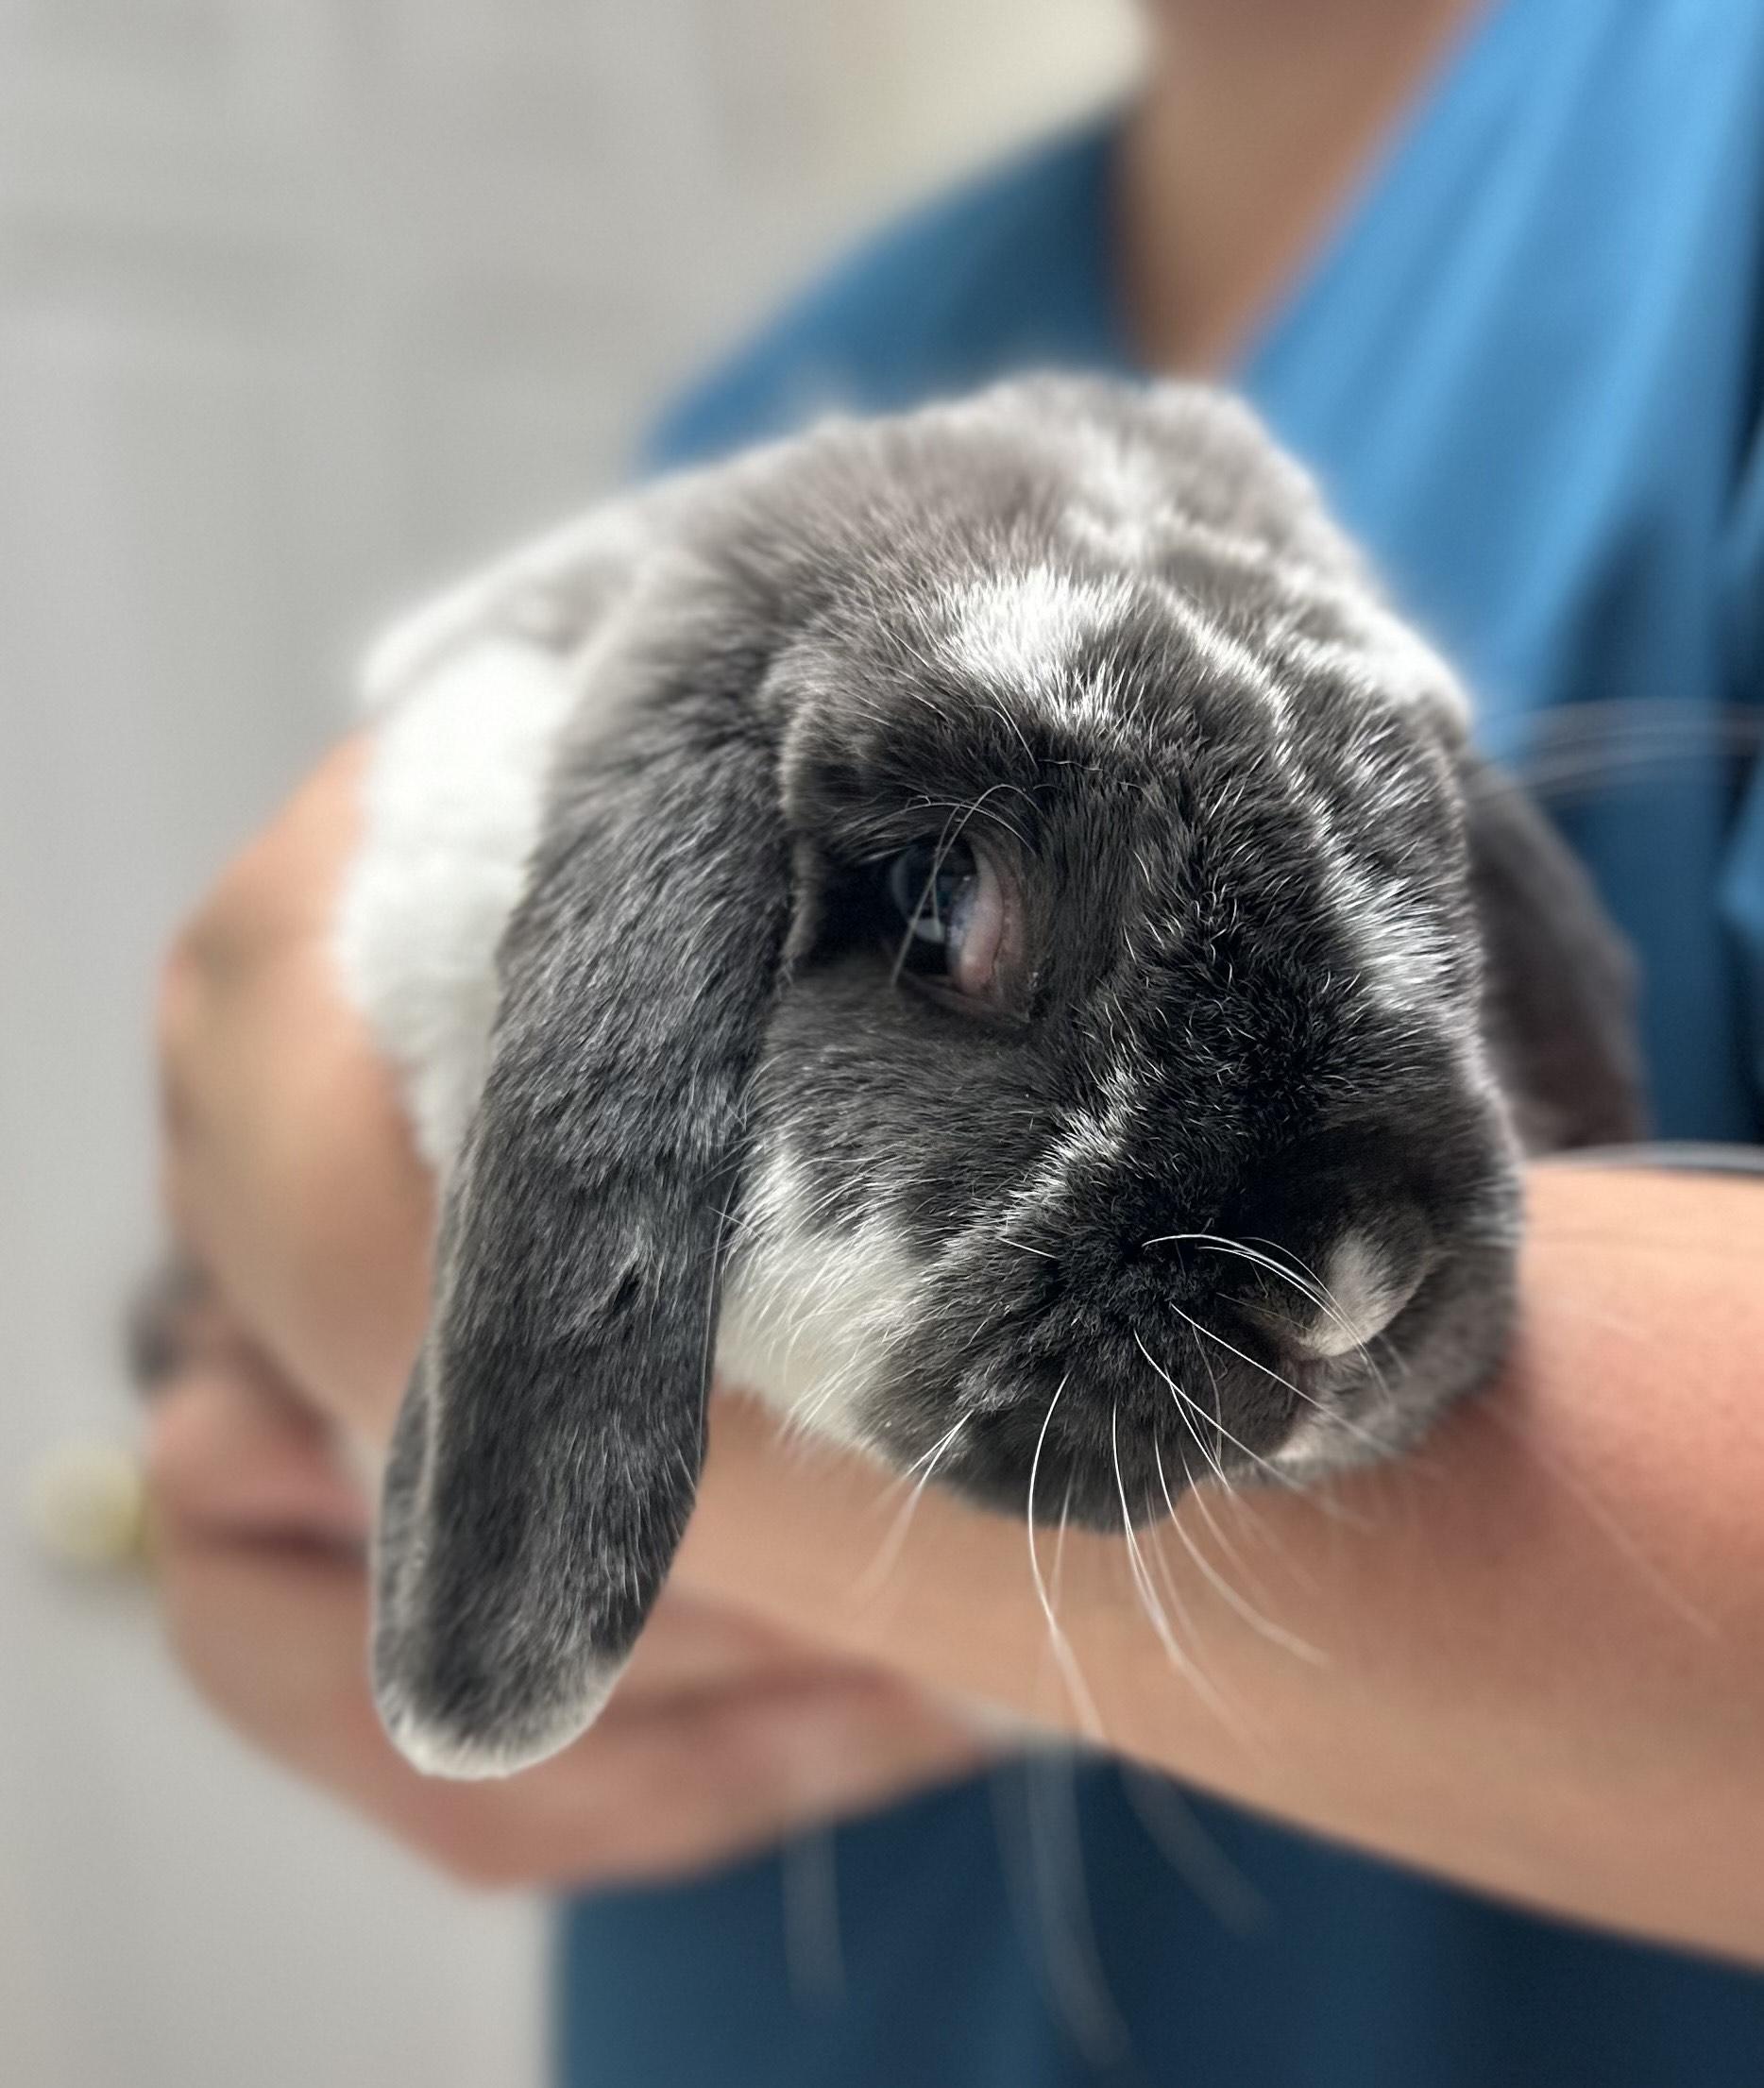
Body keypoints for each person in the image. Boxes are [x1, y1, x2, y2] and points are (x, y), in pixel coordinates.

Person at [150, 0, 1764, 2080]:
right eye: (949, 914)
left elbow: (360, 1183)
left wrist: (373, 1243)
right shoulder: (819, 370)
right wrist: (265, 1481)